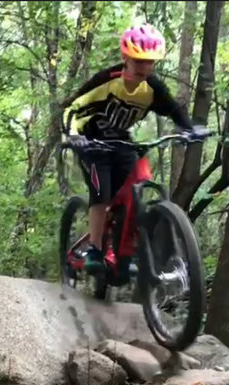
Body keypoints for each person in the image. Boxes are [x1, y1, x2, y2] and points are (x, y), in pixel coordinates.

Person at [62, 24, 208, 274]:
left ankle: (125, 245)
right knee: (102, 193)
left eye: (150, 61)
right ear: (125, 58)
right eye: (139, 61)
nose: (145, 67)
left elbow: (173, 109)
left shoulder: (152, 87)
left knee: (135, 187)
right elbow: (71, 107)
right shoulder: (107, 81)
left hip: (120, 141)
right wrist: (73, 135)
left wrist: (190, 129)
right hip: (91, 142)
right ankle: (96, 249)